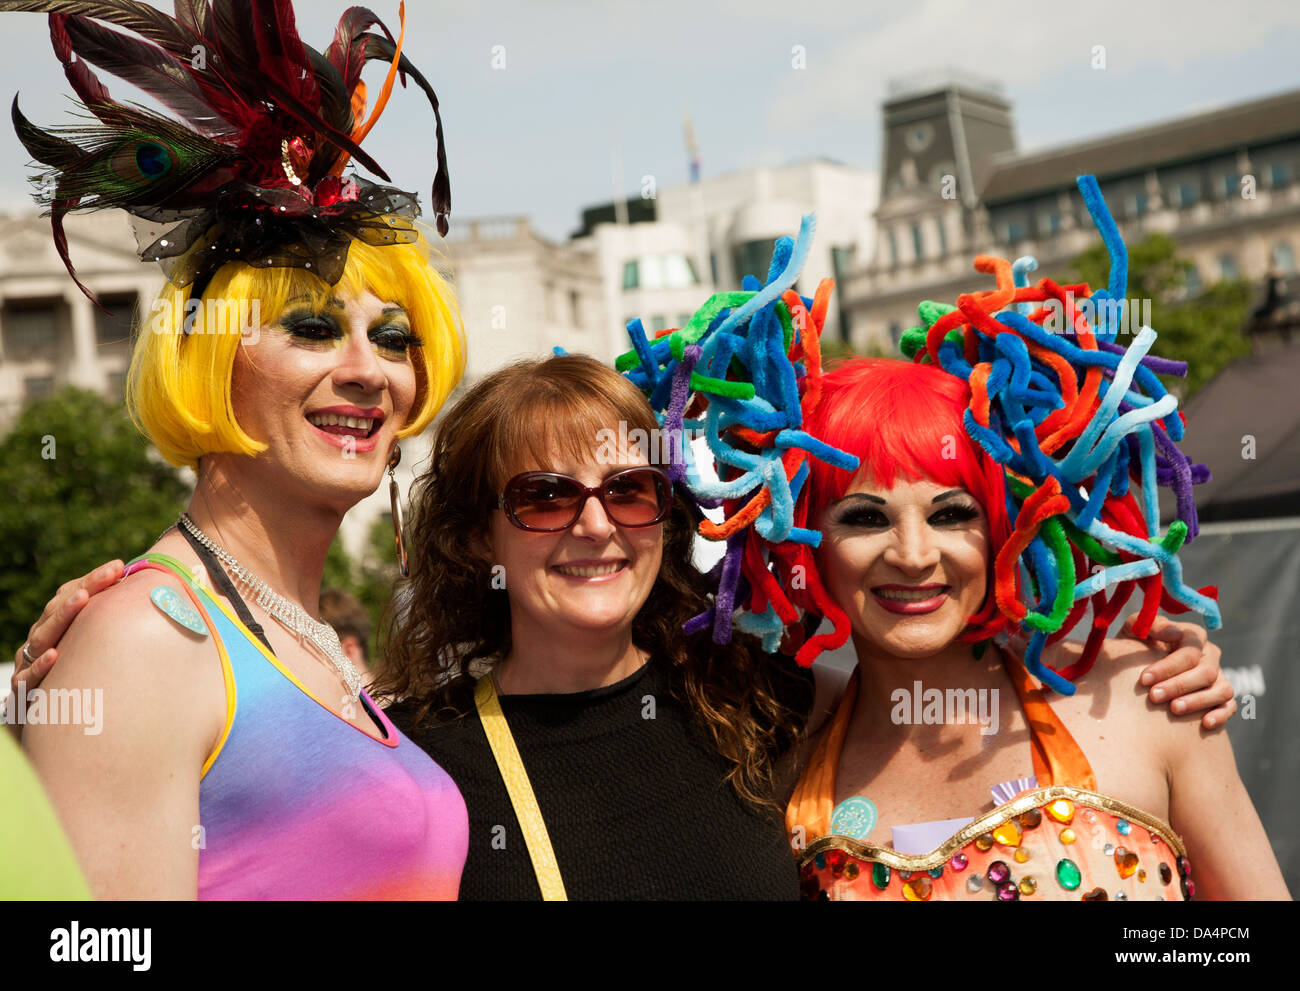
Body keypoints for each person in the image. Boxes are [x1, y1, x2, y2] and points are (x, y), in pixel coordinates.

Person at [3, 0, 469, 899]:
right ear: (212, 359)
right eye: (313, 326)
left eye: (395, 337)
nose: (369, 371)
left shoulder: (322, 643)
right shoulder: (146, 638)